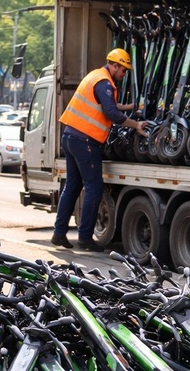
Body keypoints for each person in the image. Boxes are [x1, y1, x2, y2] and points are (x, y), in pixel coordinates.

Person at [51, 48, 148, 251]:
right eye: (123, 70)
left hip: (70, 137)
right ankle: (85, 238)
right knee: (94, 188)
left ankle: (59, 233)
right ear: (114, 65)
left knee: (73, 186)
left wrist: (129, 107)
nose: (124, 74)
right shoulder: (104, 82)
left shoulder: (95, 76)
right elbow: (111, 113)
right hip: (85, 141)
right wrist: (135, 124)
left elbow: (105, 106)